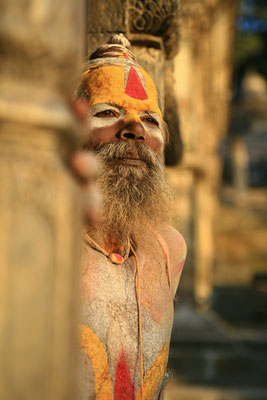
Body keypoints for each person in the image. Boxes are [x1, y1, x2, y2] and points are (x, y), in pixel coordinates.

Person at [77, 33, 186, 400]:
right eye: (107, 112)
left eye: (150, 120)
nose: (134, 129)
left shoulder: (169, 248)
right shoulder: (33, 238)